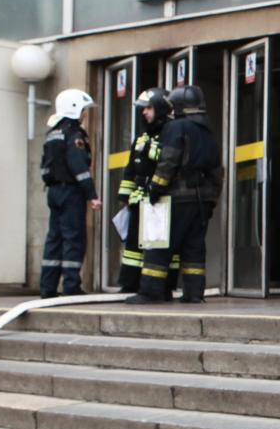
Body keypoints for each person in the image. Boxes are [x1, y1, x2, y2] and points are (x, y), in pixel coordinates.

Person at [125, 85, 222, 304]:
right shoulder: (206, 129)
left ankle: (150, 293)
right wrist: (212, 198)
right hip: (201, 199)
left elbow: (169, 160)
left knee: (158, 245)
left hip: (176, 197)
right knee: (194, 248)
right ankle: (194, 294)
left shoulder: (176, 127)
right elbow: (217, 169)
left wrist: (155, 189)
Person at [39, 88, 102, 298]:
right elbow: (79, 167)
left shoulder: (52, 134)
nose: (85, 114)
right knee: (74, 239)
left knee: (54, 239)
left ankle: (47, 288)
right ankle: (71, 287)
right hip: (70, 192)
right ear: (75, 109)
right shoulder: (74, 135)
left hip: (54, 192)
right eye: (83, 110)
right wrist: (91, 195)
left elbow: (45, 166)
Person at [116, 87, 178, 298]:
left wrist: (152, 149)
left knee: (157, 247)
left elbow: (171, 162)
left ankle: (162, 287)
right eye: (143, 109)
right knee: (133, 248)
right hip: (139, 198)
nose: (144, 112)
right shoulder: (142, 137)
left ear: (161, 108)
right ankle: (130, 283)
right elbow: (130, 169)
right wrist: (124, 196)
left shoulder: (172, 132)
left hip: (160, 199)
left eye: (149, 108)